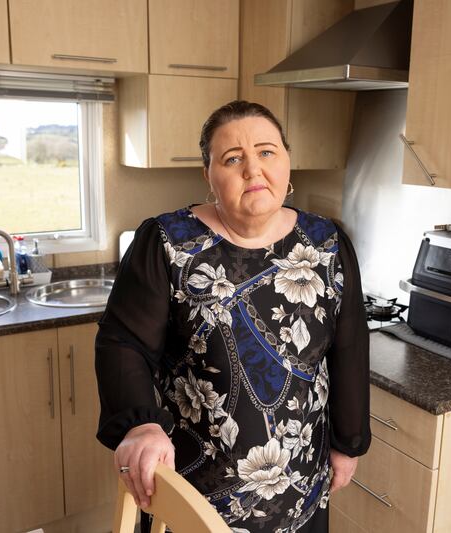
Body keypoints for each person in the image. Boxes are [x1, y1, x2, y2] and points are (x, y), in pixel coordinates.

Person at [95, 100, 370, 532]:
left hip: (302, 482)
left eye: (266, 152)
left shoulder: (328, 243)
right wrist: (141, 425)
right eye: (232, 158)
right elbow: (123, 343)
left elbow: (349, 347)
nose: (253, 170)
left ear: (287, 162)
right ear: (208, 175)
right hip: (194, 492)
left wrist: (348, 442)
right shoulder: (167, 243)